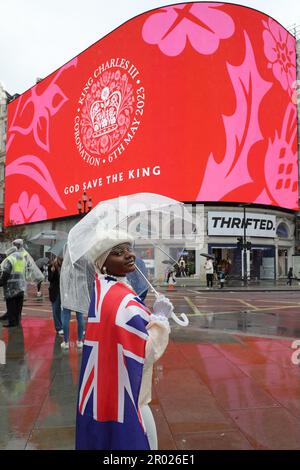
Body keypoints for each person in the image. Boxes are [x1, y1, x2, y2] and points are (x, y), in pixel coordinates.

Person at [75, 228, 172, 450]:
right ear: (103, 263)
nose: (129, 255)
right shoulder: (123, 300)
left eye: (128, 249)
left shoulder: (102, 290)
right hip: (134, 398)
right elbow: (144, 354)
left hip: (108, 390)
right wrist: (160, 319)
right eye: (118, 252)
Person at [60, 244, 94, 350]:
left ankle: (66, 342)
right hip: (80, 292)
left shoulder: (67, 264)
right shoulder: (84, 261)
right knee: (80, 316)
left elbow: (63, 280)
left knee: (66, 316)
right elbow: (90, 275)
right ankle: (80, 341)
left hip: (68, 293)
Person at [0, 246, 26, 327]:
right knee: (18, 305)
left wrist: (1, 282)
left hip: (10, 286)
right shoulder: (22, 259)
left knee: (11, 305)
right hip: (20, 286)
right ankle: (17, 321)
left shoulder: (10, 259)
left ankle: (12, 322)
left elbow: (6, 273)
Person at [48, 256, 63, 335]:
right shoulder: (52, 266)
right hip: (55, 291)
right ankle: (58, 327)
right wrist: (53, 272)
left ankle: (62, 326)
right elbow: (50, 279)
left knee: (62, 309)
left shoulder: (65, 265)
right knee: (56, 309)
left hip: (63, 291)